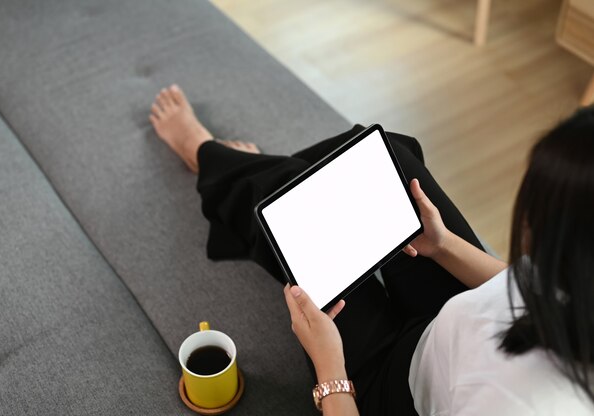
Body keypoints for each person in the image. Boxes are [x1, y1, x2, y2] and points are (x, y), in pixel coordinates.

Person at [149, 84, 594, 415]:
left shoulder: (523, 406)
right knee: (388, 157)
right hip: (453, 319)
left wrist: (330, 369)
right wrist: (443, 246)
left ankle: (210, 158)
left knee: (289, 205)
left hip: (392, 391)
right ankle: (249, 174)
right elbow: (521, 288)